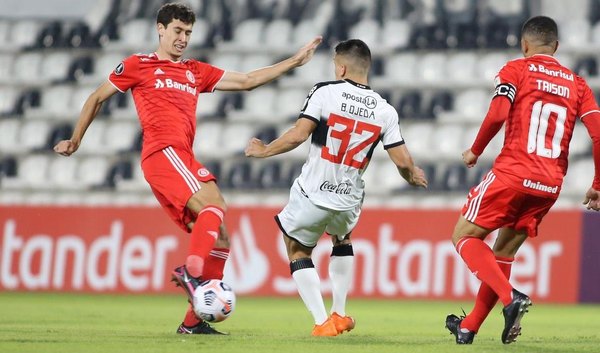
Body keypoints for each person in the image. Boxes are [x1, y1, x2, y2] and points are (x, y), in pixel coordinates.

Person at [53, 2, 322, 335]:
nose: (183, 38)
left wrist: (295, 61)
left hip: (182, 157)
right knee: (215, 206)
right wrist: (76, 139)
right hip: (162, 153)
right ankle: (193, 274)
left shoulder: (195, 70)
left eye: (189, 33)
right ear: (161, 29)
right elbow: (96, 97)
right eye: (178, 31)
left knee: (220, 236)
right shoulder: (139, 64)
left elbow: (248, 80)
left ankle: (193, 324)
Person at [245, 39, 428, 336]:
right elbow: (404, 161)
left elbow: (298, 136)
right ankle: (340, 312)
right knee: (342, 240)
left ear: (341, 67)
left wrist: (264, 150)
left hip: (315, 192)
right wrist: (412, 178)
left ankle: (322, 322)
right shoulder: (385, 110)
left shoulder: (325, 92)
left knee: (297, 250)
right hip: (349, 198)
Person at [445, 16, 600, 345]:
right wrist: (598, 184)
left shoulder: (517, 69)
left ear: (524, 44)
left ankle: (509, 297)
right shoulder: (578, 84)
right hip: (549, 184)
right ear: (556, 47)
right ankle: (469, 327)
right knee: (502, 254)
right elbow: (599, 135)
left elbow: (499, 113)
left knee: (463, 236)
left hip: (513, 172)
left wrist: (475, 150)